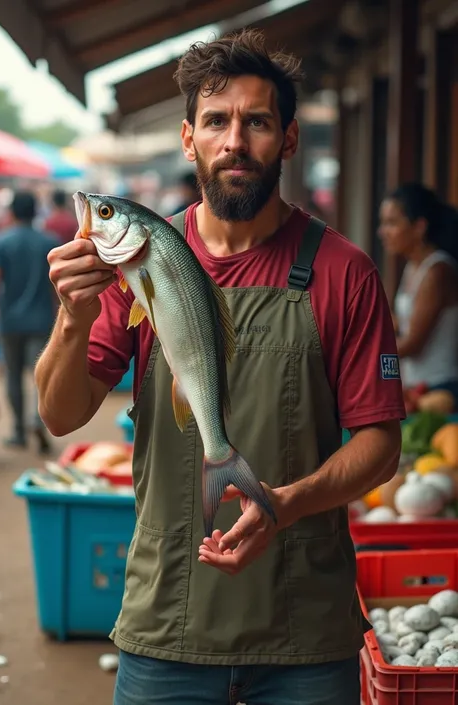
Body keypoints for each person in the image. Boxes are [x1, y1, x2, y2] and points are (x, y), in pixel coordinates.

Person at [36, 29, 404, 705]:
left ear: (289, 139)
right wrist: (72, 316)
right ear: (188, 138)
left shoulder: (343, 271)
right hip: (165, 622)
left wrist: (283, 503)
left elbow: (382, 445)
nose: (235, 141)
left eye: (257, 121)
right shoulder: (136, 259)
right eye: (216, 121)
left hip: (305, 635)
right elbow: (60, 414)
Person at [0, 191, 60, 453]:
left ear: (12, 213)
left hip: (10, 322)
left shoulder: (0, 242)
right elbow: (58, 285)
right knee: (41, 376)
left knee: (13, 377)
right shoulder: (49, 241)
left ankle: (18, 430)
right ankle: (38, 421)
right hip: (42, 320)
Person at [379, 182, 458, 410]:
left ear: (419, 227)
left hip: (441, 390)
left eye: (391, 223)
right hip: (418, 388)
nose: (382, 231)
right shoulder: (414, 267)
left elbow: (413, 343)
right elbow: (405, 323)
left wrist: (365, 355)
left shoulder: (437, 271)